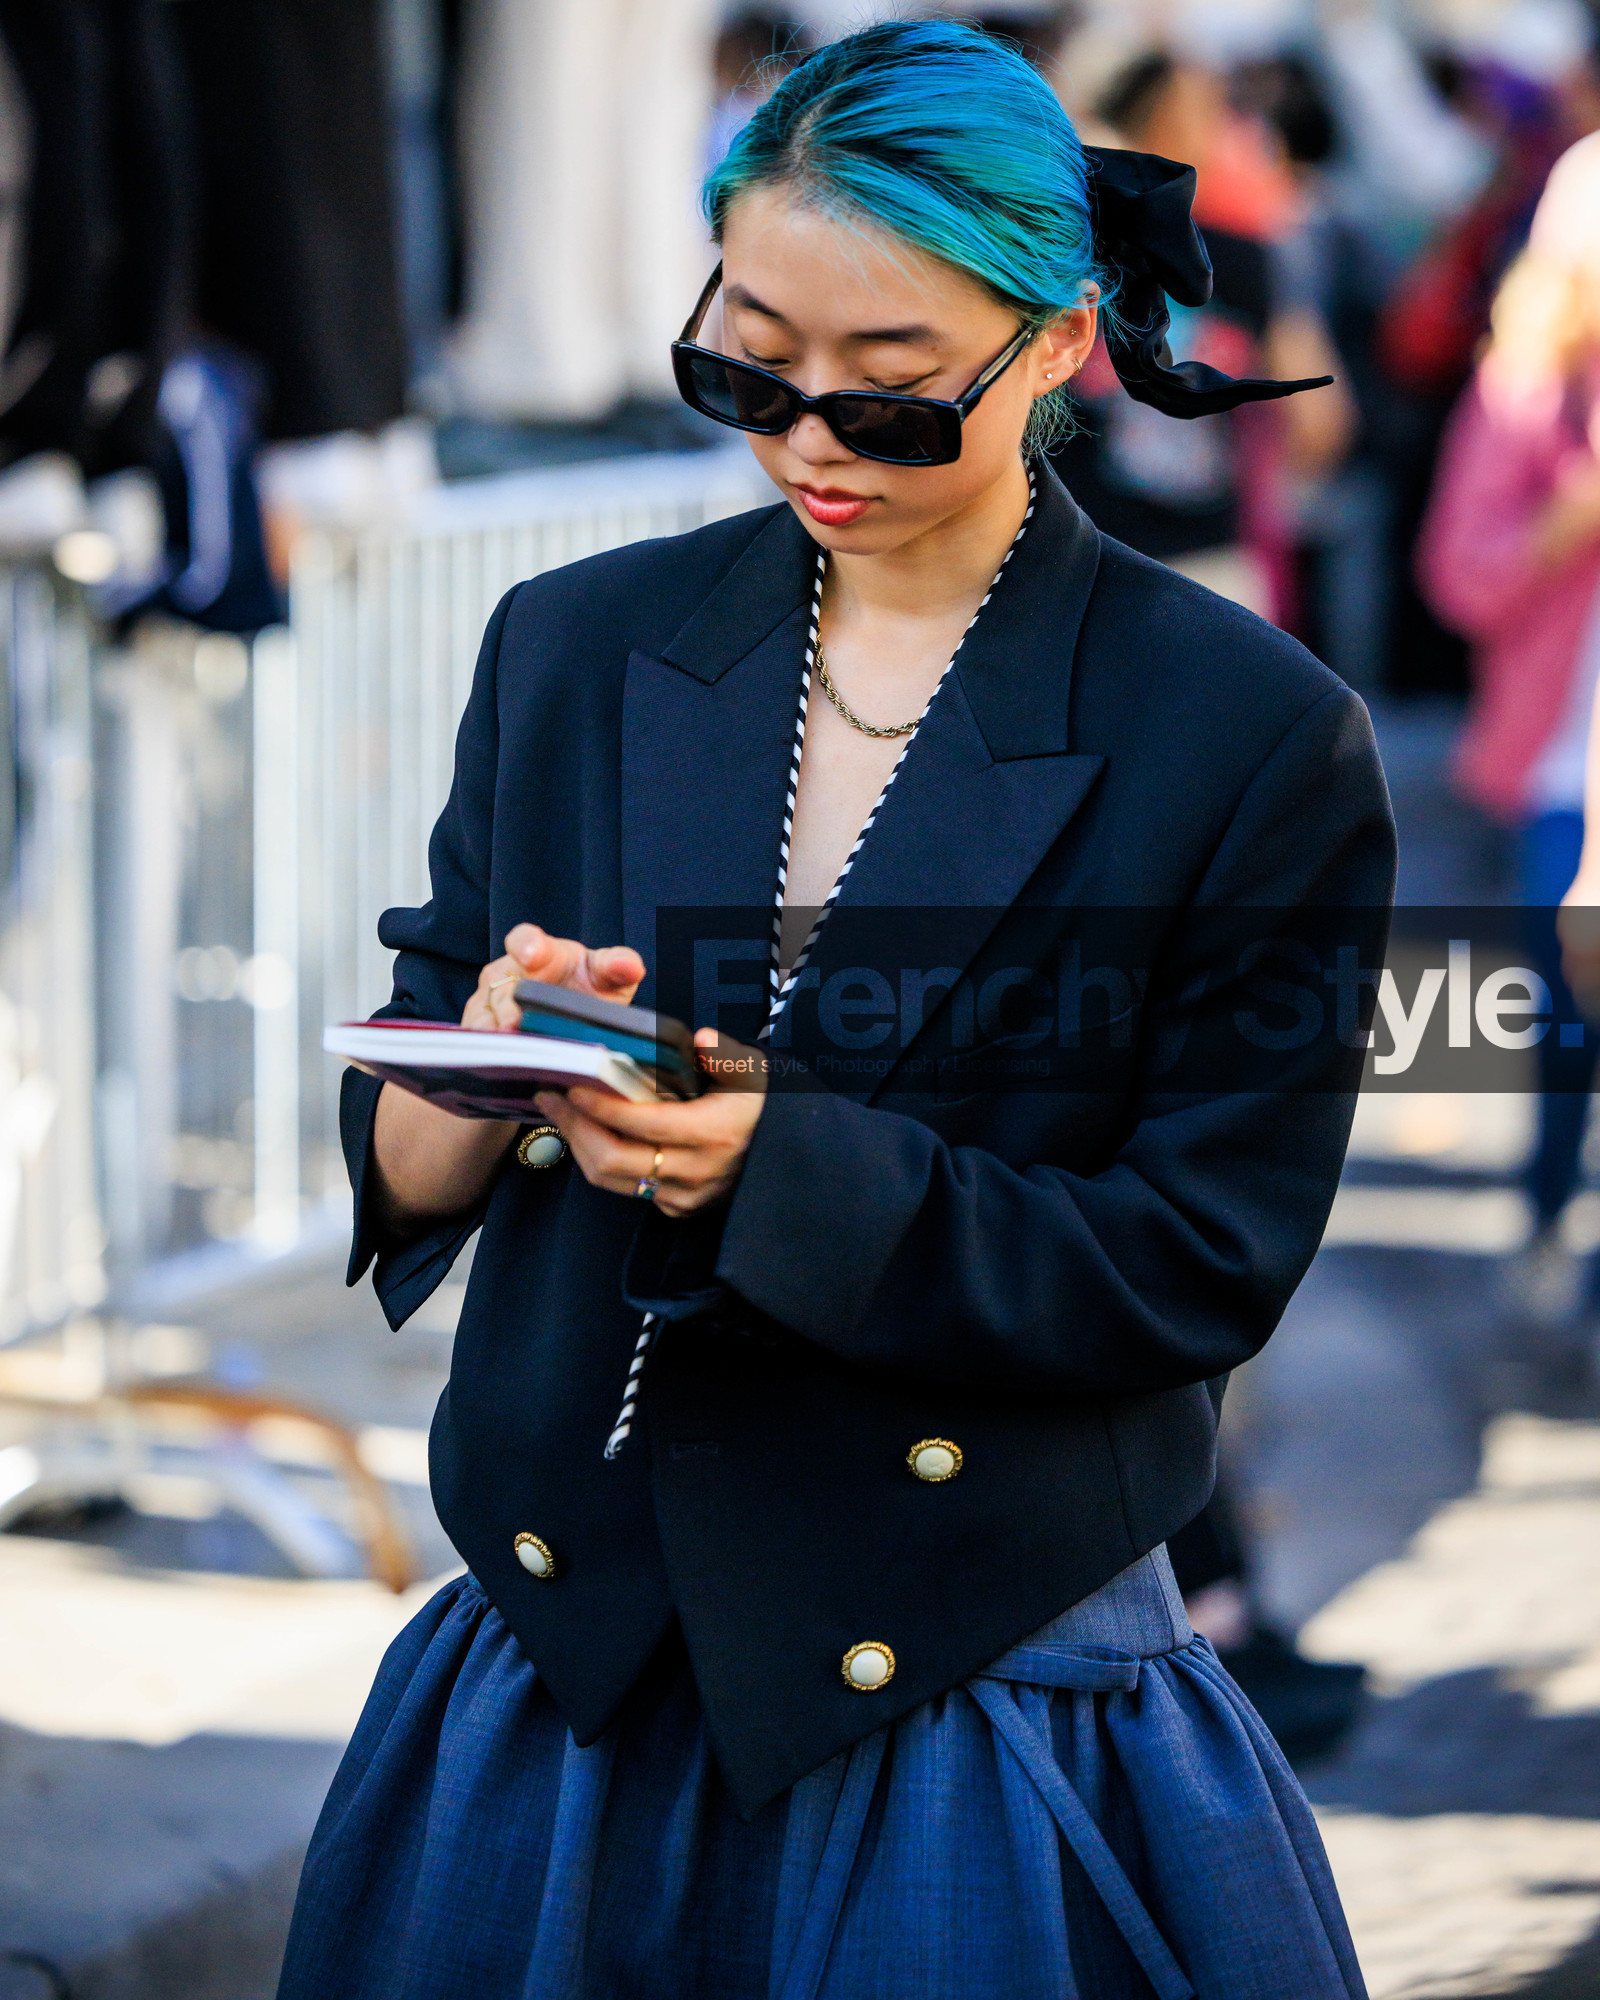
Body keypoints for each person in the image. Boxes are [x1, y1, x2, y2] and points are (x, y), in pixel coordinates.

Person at [276, 23, 1392, 1998]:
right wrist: (494, 1066)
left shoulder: (1241, 734)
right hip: (563, 1664)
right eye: (744, 363)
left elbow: (1200, 1258)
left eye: (888, 398)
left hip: (973, 1683)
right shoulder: (579, 639)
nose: (805, 440)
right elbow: (406, 1120)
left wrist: (780, 1167)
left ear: (1055, 343)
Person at [1419, 131, 1600, 1334]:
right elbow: (1458, 579)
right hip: (1558, 765)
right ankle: (1545, 1212)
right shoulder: (1524, 388)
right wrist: (1562, 525)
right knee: (1566, 1013)